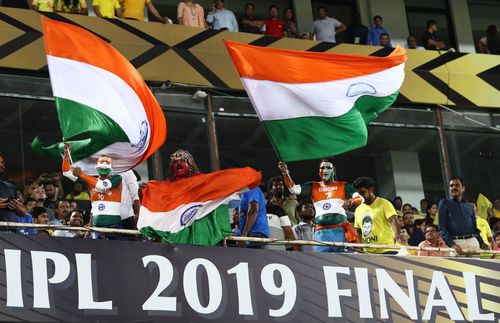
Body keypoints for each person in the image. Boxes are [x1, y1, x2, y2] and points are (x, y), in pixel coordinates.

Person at [278, 159, 358, 252]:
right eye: (322, 168)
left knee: (344, 261)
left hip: (339, 230)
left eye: (328, 168)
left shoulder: (343, 185)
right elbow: (294, 190)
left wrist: (352, 201)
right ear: (319, 171)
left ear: (334, 171)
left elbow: (360, 198)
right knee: (320, 262)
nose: (325, 170)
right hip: (320, 232)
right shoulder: (313, 186)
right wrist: (285, 172)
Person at [63, 143, 123, 228]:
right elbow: (67, 173)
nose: (104, 166)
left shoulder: (117, 178)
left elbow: (102, 185)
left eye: (107, 163)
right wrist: (66, 155)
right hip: (96, 228)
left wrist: (81, 174)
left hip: (114, 227)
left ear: (111, 168)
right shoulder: (90, 181)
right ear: (97, 167)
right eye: (102, 163)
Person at [438, 177, 489, 254]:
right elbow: (442, 227)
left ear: (463, 189)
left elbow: (475, 229)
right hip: (456, 243)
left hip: (473, 242)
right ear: (449, 189)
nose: (454, 187)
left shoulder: (469, 207)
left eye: (457, 185)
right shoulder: (444, 203)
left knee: (477, 266)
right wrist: (452, 244)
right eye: (451, 186)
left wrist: (481, 243)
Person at [353, 177, 403, 254]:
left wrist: (397, 234)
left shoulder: (384, 203)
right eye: (359, 194)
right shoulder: (358, 209)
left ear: (371, 190)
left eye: (363, 192)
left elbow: (393, 220)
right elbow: (358, 231)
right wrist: (361, 246)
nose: (361, 196)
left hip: (387, 250)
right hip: (368, 253)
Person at [0, 153, 20, 222]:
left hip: (13, 230)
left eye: (2, 162)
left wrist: (17, 207)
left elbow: (23, 213)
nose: (1, 165)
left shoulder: (10, 187)